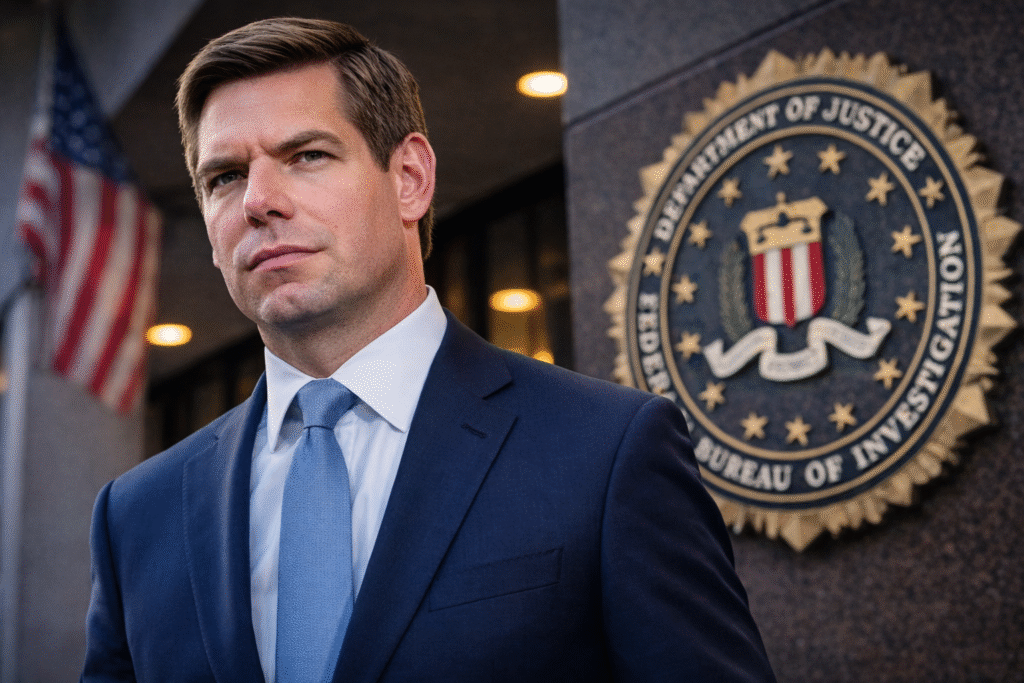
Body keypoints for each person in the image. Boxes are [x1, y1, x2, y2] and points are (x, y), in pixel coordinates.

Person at [81, 17, 776, 683]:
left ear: (410, 178)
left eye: (307, 156)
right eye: (225, 177)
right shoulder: (135, 517)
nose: (258, 200)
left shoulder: (607, 452)